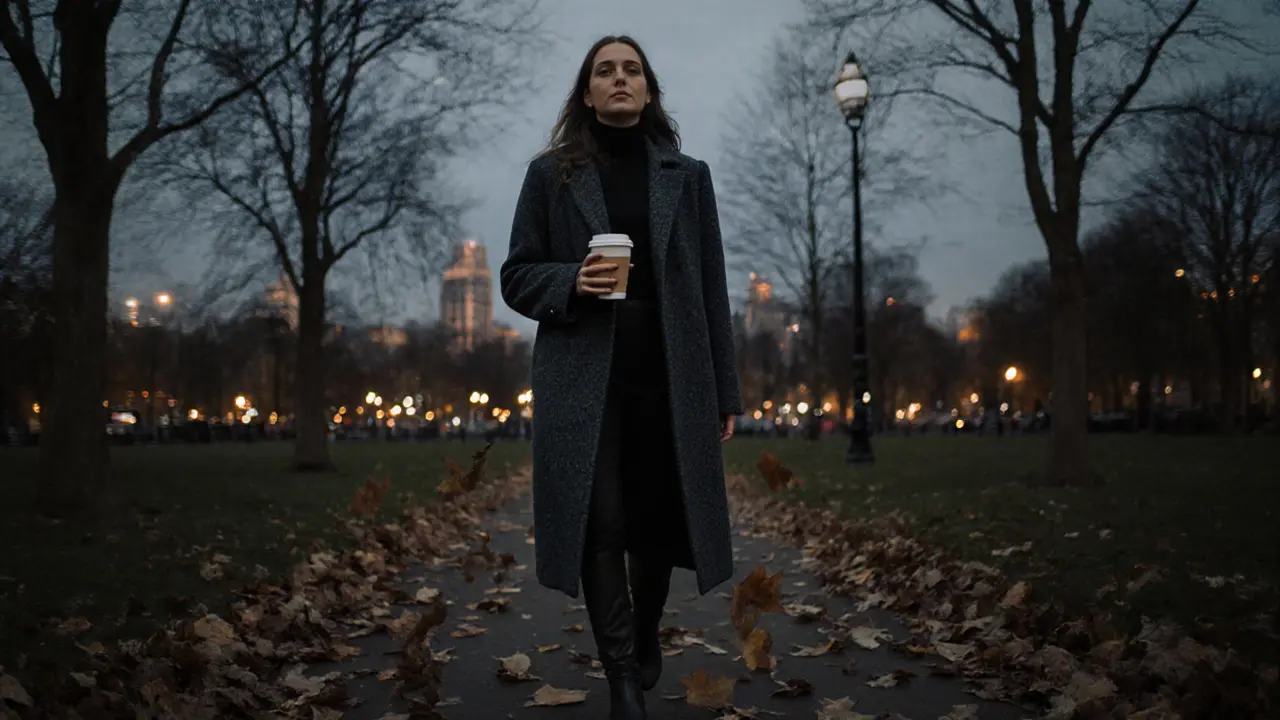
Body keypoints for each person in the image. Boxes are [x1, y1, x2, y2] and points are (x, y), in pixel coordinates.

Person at [500, 34, 742, 720]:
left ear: (648, 89)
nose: (619, 79)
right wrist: (572, 278)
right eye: (605, 71)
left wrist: (726, 389)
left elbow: (712, 289)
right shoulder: (551, 176)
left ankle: (640, 636)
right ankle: (623, 682)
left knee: (658, 524)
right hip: (584, 376)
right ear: (586, 92)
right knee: (601, 521)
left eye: (631, 70)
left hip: (671, 373)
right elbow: (516, 276)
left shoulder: (687, 176)